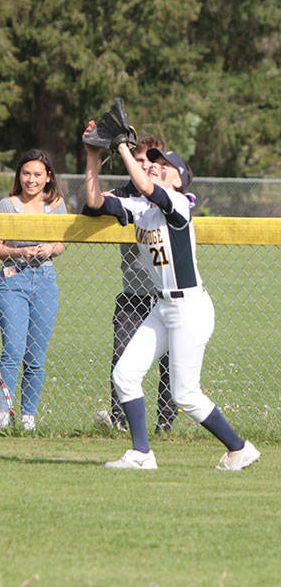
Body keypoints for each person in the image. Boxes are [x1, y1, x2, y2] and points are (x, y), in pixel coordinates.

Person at [82, 120, 260, 470]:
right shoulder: (141, 209)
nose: (155, 166)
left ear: (178, 180)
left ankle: (239, 448)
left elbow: (148, 187)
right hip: (162, 307)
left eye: (164, 165)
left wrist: (122, 146)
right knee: (125, 374)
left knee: (185, 394)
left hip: (190, 308)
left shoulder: (177, 202)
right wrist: (91, 155)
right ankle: (141, 454)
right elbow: (95, 201)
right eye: (153, 163)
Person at [91, 134, 178, 434]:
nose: (145, 166)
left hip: (168, 296)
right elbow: (93, 204)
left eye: (152, 161)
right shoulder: (124, 196)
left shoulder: (171, 197)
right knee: (122, 357)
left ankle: (165, 424)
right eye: (139, 159)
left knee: (171, 362)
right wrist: (93, 157)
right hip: (134, 295)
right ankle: (120, 421)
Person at [0, 150, 66, 431]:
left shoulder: (56, 205)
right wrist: (19, 252)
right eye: (26, 173)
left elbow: (61, 245)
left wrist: (49, 248)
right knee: (12, 350)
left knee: (36, 356)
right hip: (13, 281)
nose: (31, 180)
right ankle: (3, 416)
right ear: (19, 175)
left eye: (37, 175)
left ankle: (28, 418)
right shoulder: (6, 205)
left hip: (45, 280)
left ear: (48, 178)